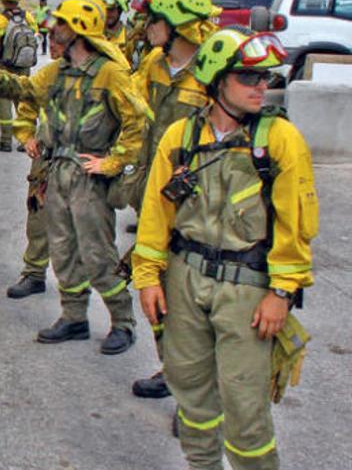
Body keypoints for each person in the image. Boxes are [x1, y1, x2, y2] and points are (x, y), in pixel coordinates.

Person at [132, 26, 318, 470]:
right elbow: (156, 215)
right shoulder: (180, 136)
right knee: (190, 392)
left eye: (266, 79)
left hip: (247, 293)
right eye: (248, 78)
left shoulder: (278, 140)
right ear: (217, 80)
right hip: (184, 281)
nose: (262, 87)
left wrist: (281, 292)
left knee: (244, 404)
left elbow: (297, 226)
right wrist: (147, 278)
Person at [0, 0, 146, 354]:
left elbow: (138, 121)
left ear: (80, 29)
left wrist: (112, 163)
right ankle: (74, 317)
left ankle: (123, 322)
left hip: (89, 179)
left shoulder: (111, 73)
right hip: (56, 172)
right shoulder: (57, 71)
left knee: (98, 254)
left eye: (61, 24)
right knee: (63, 250)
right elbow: (25, 88)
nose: (54, 30)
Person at [125, 0, 220, 400]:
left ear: (175, 23)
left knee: (199, 305)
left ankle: (197, 397)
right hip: (158, 195)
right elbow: (133, 108)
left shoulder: (213, 75)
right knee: (159, 289)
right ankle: (173, 370)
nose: (146, 28)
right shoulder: (154, 65)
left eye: (153, 21)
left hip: (201, 205)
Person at [6, 23, 65, 299]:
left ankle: (74, 289)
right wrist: (27, 135)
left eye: (58, 39)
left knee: (78, 226)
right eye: (50, 38)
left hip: (81, 163)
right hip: (46, 157)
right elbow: (27, 102)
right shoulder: (48, 75)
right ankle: (34, 273)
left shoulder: (103, 75)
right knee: (38, 216)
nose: (51, 44)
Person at [0, 0, 38, 153]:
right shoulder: (28, 17)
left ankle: (6, 140)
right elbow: (35, 38)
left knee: (4, 102)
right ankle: (27, 141)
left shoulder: (0, 20)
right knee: (23, 102)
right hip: (24, 66)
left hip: (4, 66)